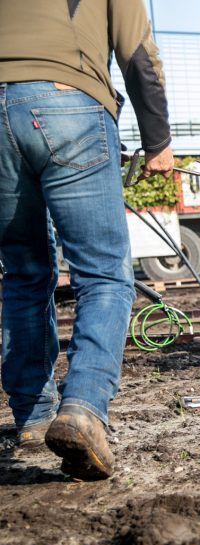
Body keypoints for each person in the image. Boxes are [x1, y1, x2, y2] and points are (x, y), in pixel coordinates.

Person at [0, 0, 173, 479]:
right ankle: (83, 408)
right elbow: (138, 53)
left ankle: (34, 416)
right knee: (104, 275)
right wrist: (157, 140)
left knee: (23, 273)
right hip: (67, 100)